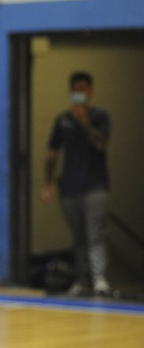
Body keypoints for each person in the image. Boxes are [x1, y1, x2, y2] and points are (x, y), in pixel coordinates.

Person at [41, 71, 112, 297]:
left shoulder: (100, 116)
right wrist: (48, 183)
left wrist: (85, 122)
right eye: (74, 89)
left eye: (82, 89)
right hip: (70, 187)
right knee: (78, 237)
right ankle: (82, 281)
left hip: (95, 187)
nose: (78, 93)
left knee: (95, 235)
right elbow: (52, 153)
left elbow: (102, 144)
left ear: (90, 92)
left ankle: (100, 280)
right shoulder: (62, 120)